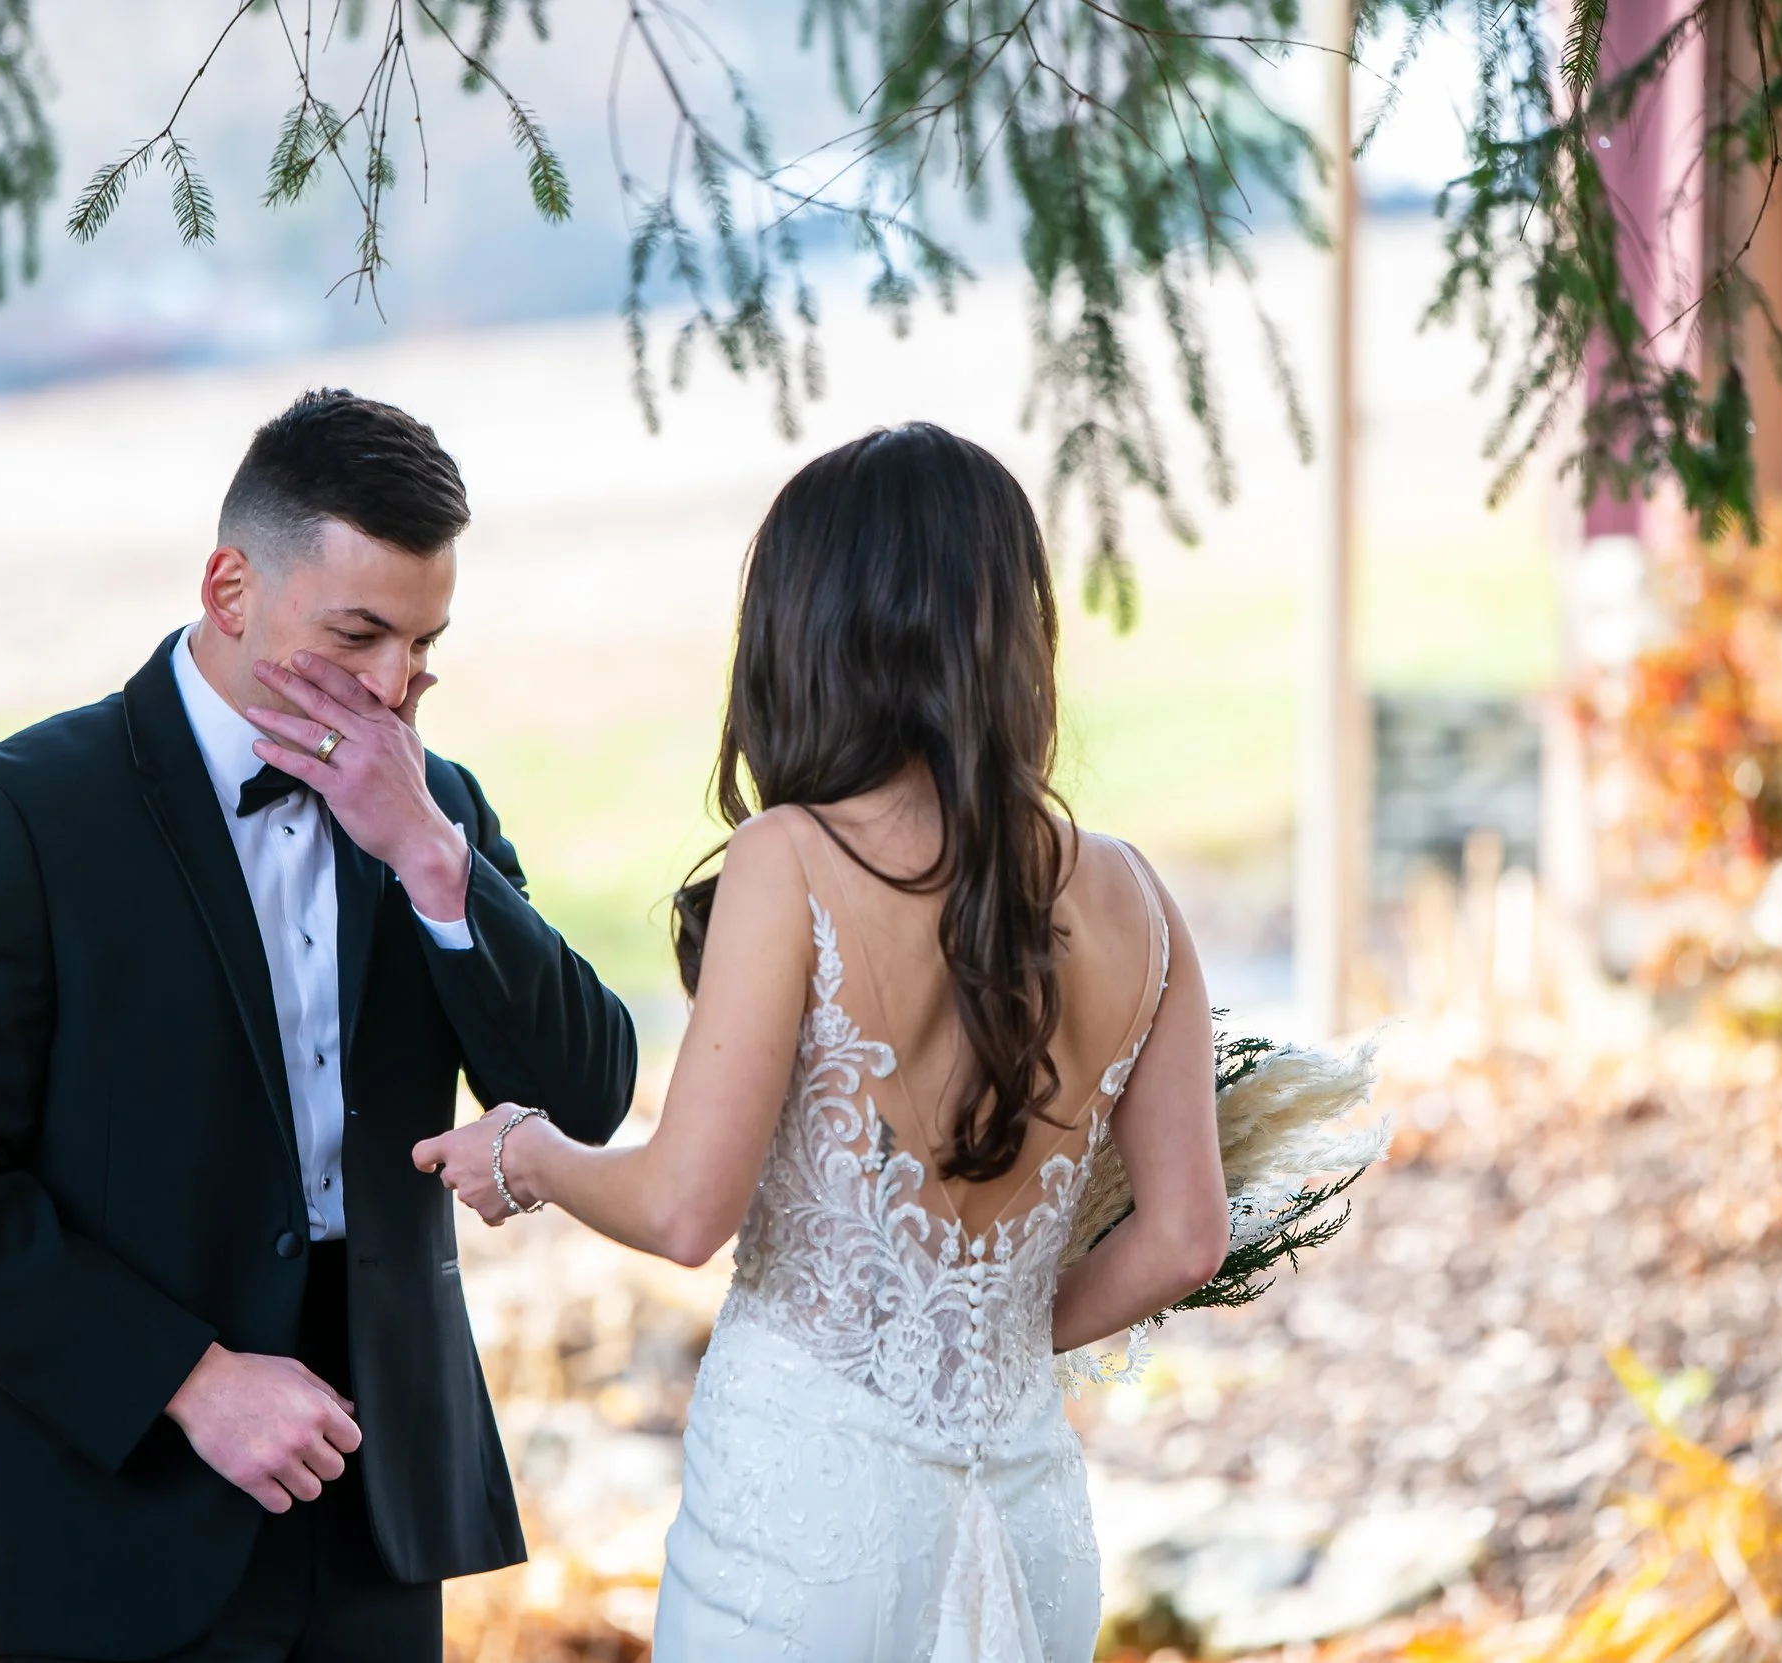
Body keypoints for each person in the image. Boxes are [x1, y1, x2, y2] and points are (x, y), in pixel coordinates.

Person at [413, 422, 1232, 1661]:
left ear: (808, 629)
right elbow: (1184, 1237)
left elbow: (688, 1209)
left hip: (809, 1512)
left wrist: (523, 1150)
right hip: (1025, 1512)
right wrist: (982, 1340)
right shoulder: (1133, 895)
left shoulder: (790, 855)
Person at [0, 389, 637, 1663]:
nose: (394, 686)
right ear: (230, 589)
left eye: (424, 643)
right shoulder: (10, 815)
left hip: (378, 1486)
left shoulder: (435, 806)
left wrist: (435, 862)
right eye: (360, 633)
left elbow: (587, 1090)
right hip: (115, 1492)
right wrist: (189, 1380)